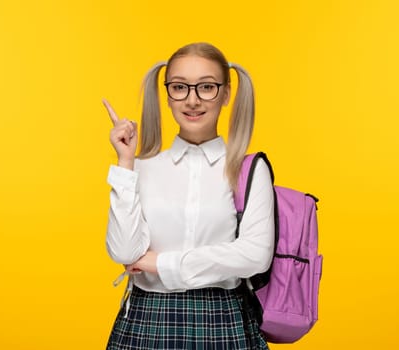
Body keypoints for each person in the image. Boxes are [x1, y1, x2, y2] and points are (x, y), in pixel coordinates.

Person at [103, 42, 275, 349]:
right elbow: (124, 252)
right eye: (180, 87)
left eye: (206, 87)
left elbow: (254, 256)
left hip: (222, 319)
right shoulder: (141, 168)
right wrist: (125, 163)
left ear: (226, 94)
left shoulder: (249, 170)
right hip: (148, 319)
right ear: (167, 95)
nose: (192, 100)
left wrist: (160, 263)